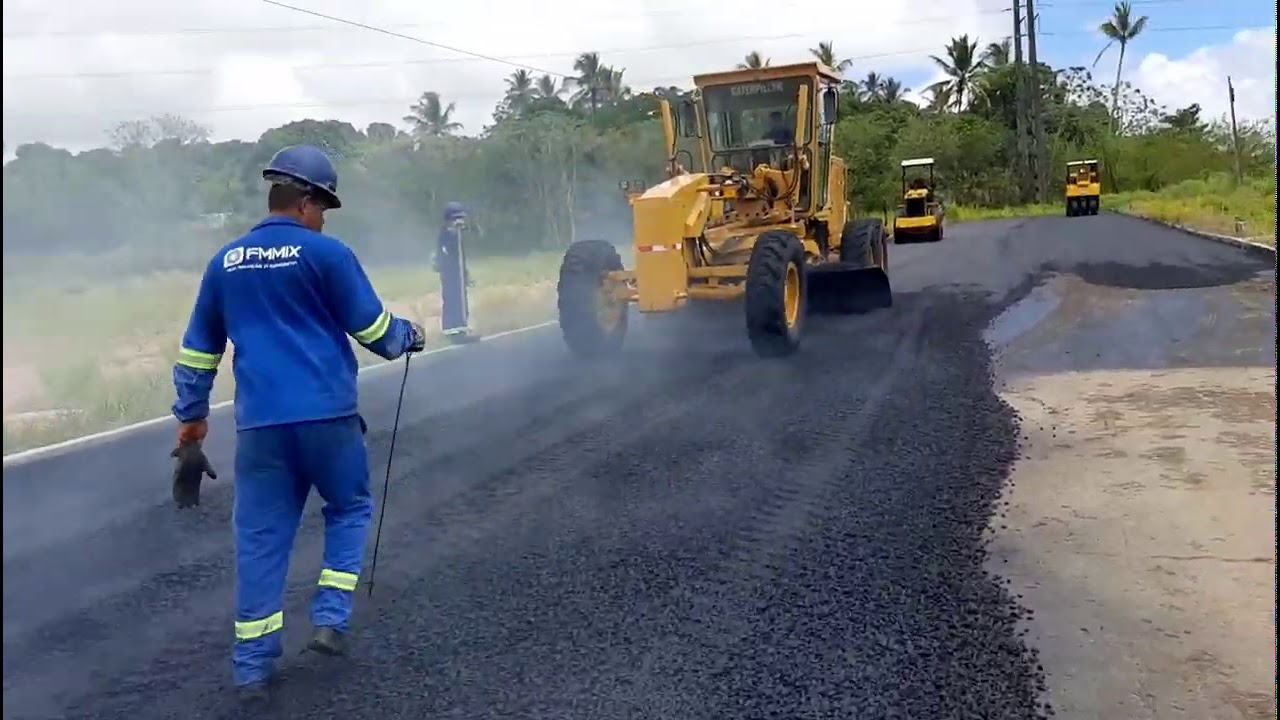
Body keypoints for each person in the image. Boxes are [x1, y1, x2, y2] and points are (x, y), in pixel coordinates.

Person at [168, 144, 427, 704]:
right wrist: (412, 334)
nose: (324, 217)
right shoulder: (327, 255)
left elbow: (197, 354)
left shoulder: (226, 262)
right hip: (328, 418)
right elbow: (377, 330)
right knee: (350, 508)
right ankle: (331, 620)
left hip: (260, 429)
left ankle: (251, 671)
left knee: (261, 541)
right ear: (307, 201)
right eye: (324, 206)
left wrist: (191, 424)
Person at [432, 201, 478, 343]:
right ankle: (453, 331)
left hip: (459, 274)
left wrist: (466, 274)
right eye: (455, 219)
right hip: (449, 275)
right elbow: (445, 254)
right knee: (452, 301)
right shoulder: (445, 235)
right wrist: (453, 235)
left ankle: (462, 328)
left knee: (462, 300)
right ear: (448, 221)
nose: (459, 222)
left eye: (461, 219)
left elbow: (461, 257)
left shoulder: (459, 236)